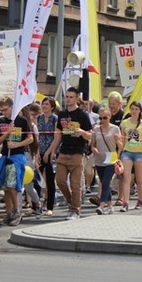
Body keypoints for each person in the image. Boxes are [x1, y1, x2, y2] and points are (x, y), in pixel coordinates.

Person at [48, 87, 93, 220]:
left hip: (77, 152)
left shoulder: (82, 115)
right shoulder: (62, 115)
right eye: (66, 97)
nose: (68, 99)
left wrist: (82, 132)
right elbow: (58, 135)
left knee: (75, 184)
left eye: (71, 97)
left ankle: (75, 210)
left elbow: (90, 135)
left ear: (76, 99)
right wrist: (52, 151)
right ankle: (71, 201)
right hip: (63, 151)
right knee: (60, 180)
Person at [90, 107, 122, 215]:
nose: (102, 120)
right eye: (100, 118)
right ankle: (110, 205)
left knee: (105, 181)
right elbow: (92, 144)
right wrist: (93, 149)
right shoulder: (96, 129)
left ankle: (101, 205)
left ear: (109, 117)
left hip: (111, 158)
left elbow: (121, 146)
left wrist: (118, 141)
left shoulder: (115, 129)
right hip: (99, 159)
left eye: (105, 118)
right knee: (104, 182)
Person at [119, 101, 142, 211]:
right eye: (132, 109)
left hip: (139, 153)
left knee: (139, 178)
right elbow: (122, 139)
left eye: (136, 109)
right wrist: (119, 153)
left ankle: (140, 200)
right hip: (127, 152)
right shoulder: (124, 123)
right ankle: (125, 202)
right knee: (126, 178)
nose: (134, 111)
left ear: (140, 110)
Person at [38, 97, 59, 216]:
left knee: (50, 180)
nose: (44, 106)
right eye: (43, 104)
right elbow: (37, 136)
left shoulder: (55, 119)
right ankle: (36, 205)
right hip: (40, 151)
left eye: (47, 104)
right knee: (37, 179)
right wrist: (37, 154)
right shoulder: (39, 118)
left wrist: (49, 152)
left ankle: (50, 206)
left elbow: (56, 138)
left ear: (52, 107)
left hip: (51, 153)